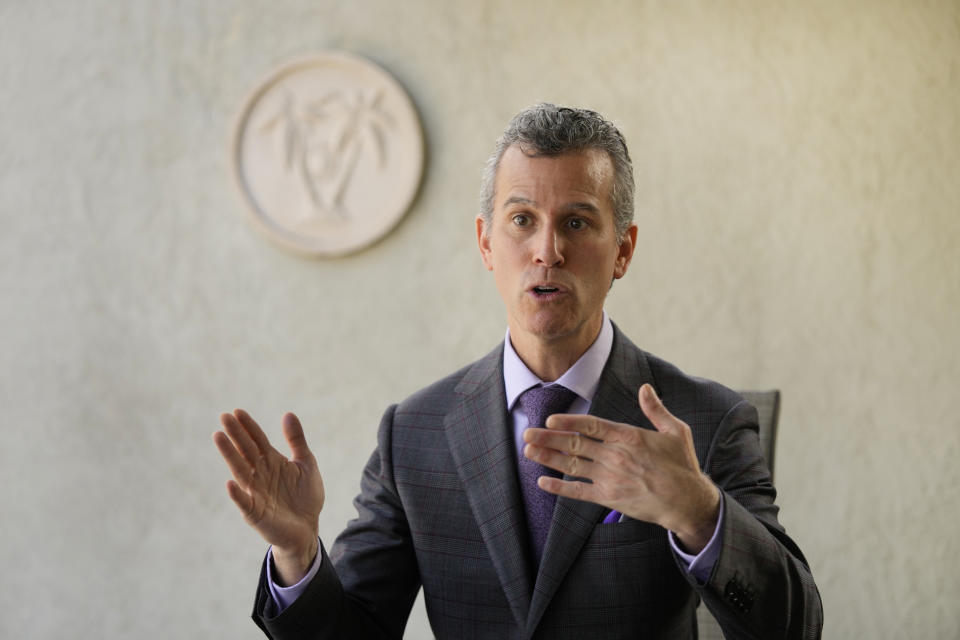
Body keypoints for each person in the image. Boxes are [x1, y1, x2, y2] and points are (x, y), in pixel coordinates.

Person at [213, 104, 823, 639]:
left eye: (577, 223)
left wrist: (699, 513)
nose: (547, 250)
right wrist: (296, 555)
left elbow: (796, 629)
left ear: (624, 251)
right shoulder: (414, 433)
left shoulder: (705, 422)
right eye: (522, 219)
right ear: (485, 243)